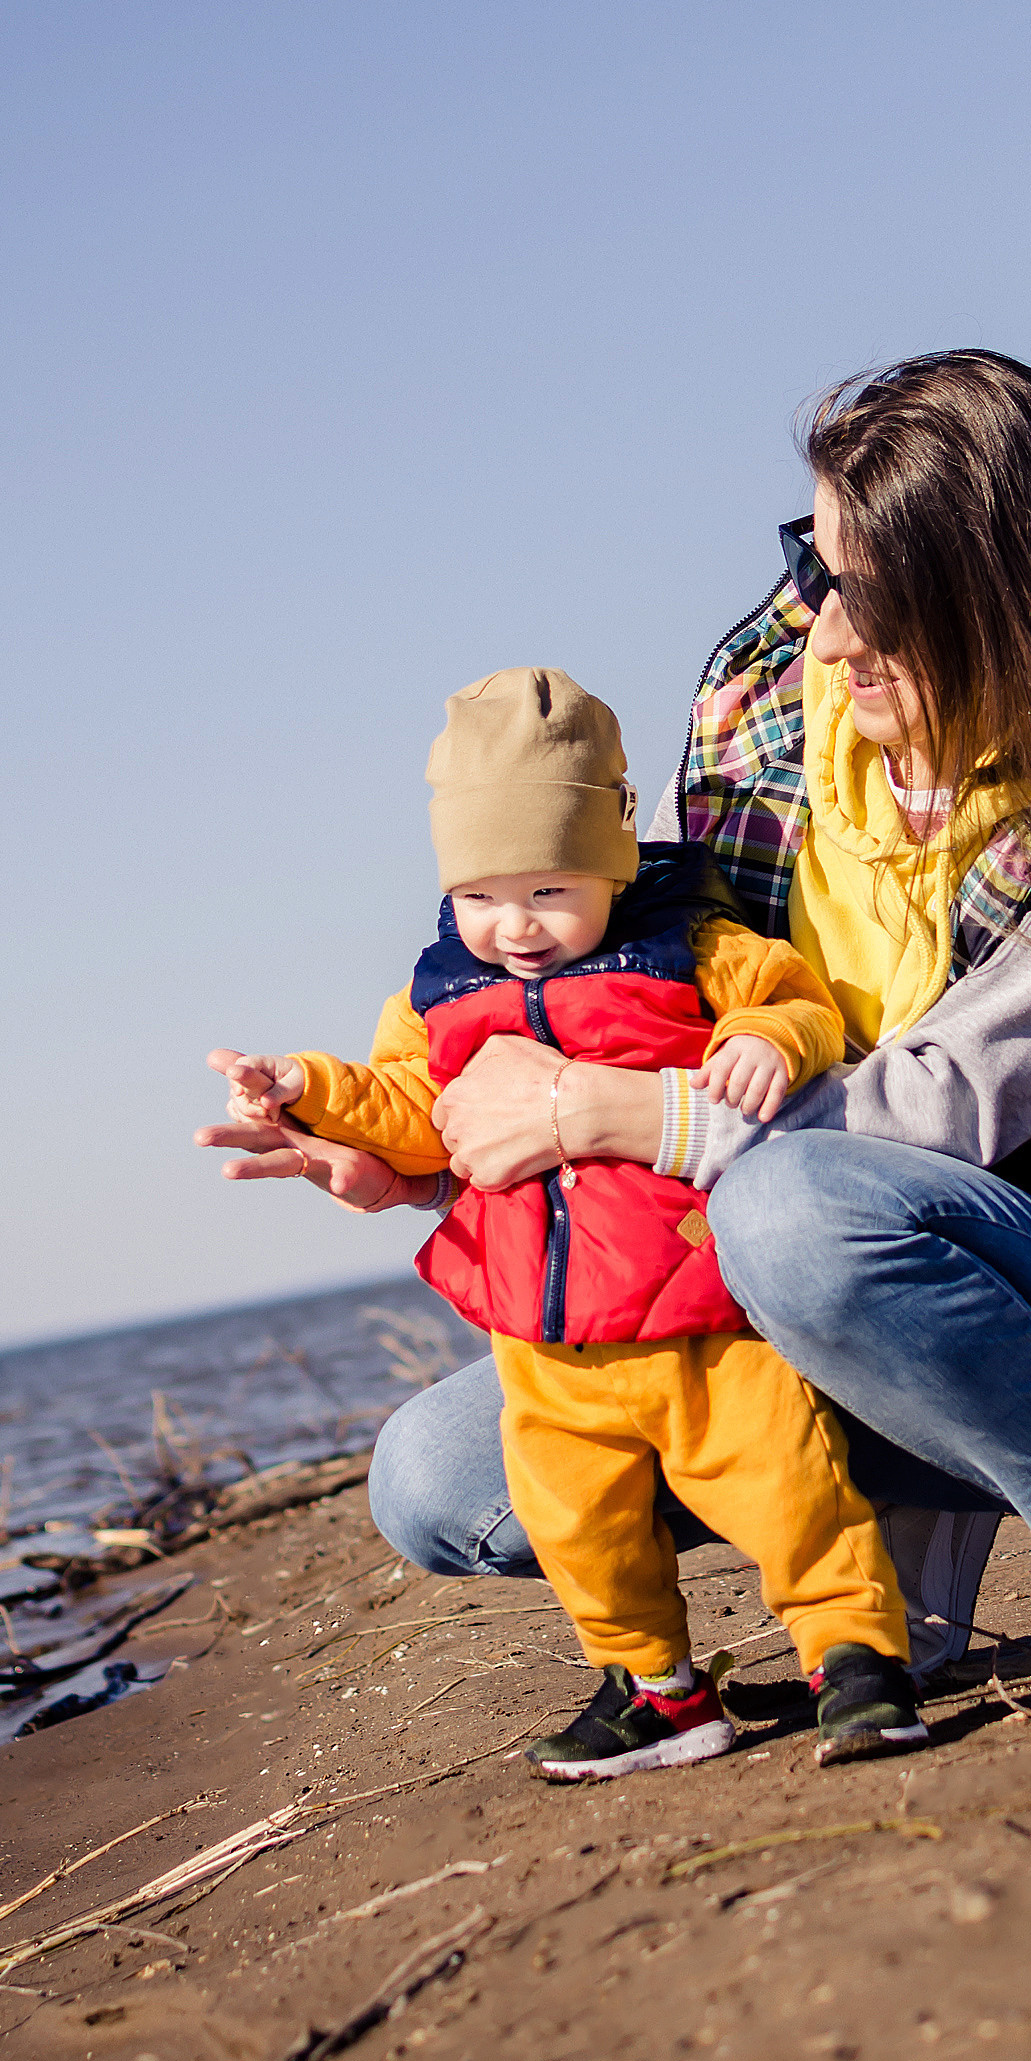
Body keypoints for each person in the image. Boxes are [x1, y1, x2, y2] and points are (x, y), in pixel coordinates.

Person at [210, 351, 1031, 1737]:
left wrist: (600, 1114)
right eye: (817, 568)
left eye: (877, 597)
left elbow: (947, 1107)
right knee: (439, 1480)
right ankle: (915, 1494)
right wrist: (423, 1167)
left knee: (791, 1209)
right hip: (802, 1246)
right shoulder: (766, 708)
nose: (830, 631)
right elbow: (664, 1017)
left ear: (1000, 596)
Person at [199, 665, 927, 1778]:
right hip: (541, 1343)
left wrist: (767, 1040)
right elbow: (414, 1112)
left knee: (786, 1485)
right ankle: (658, 1690)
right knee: (579, 1526)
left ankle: (856, 1658)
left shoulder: (688, 948)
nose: (516, 926)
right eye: (480, 896)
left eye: (549, 889)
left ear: (613, 859)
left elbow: (795, 1001)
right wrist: (307, 1085)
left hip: (699, 1313)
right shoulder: (436, 997)